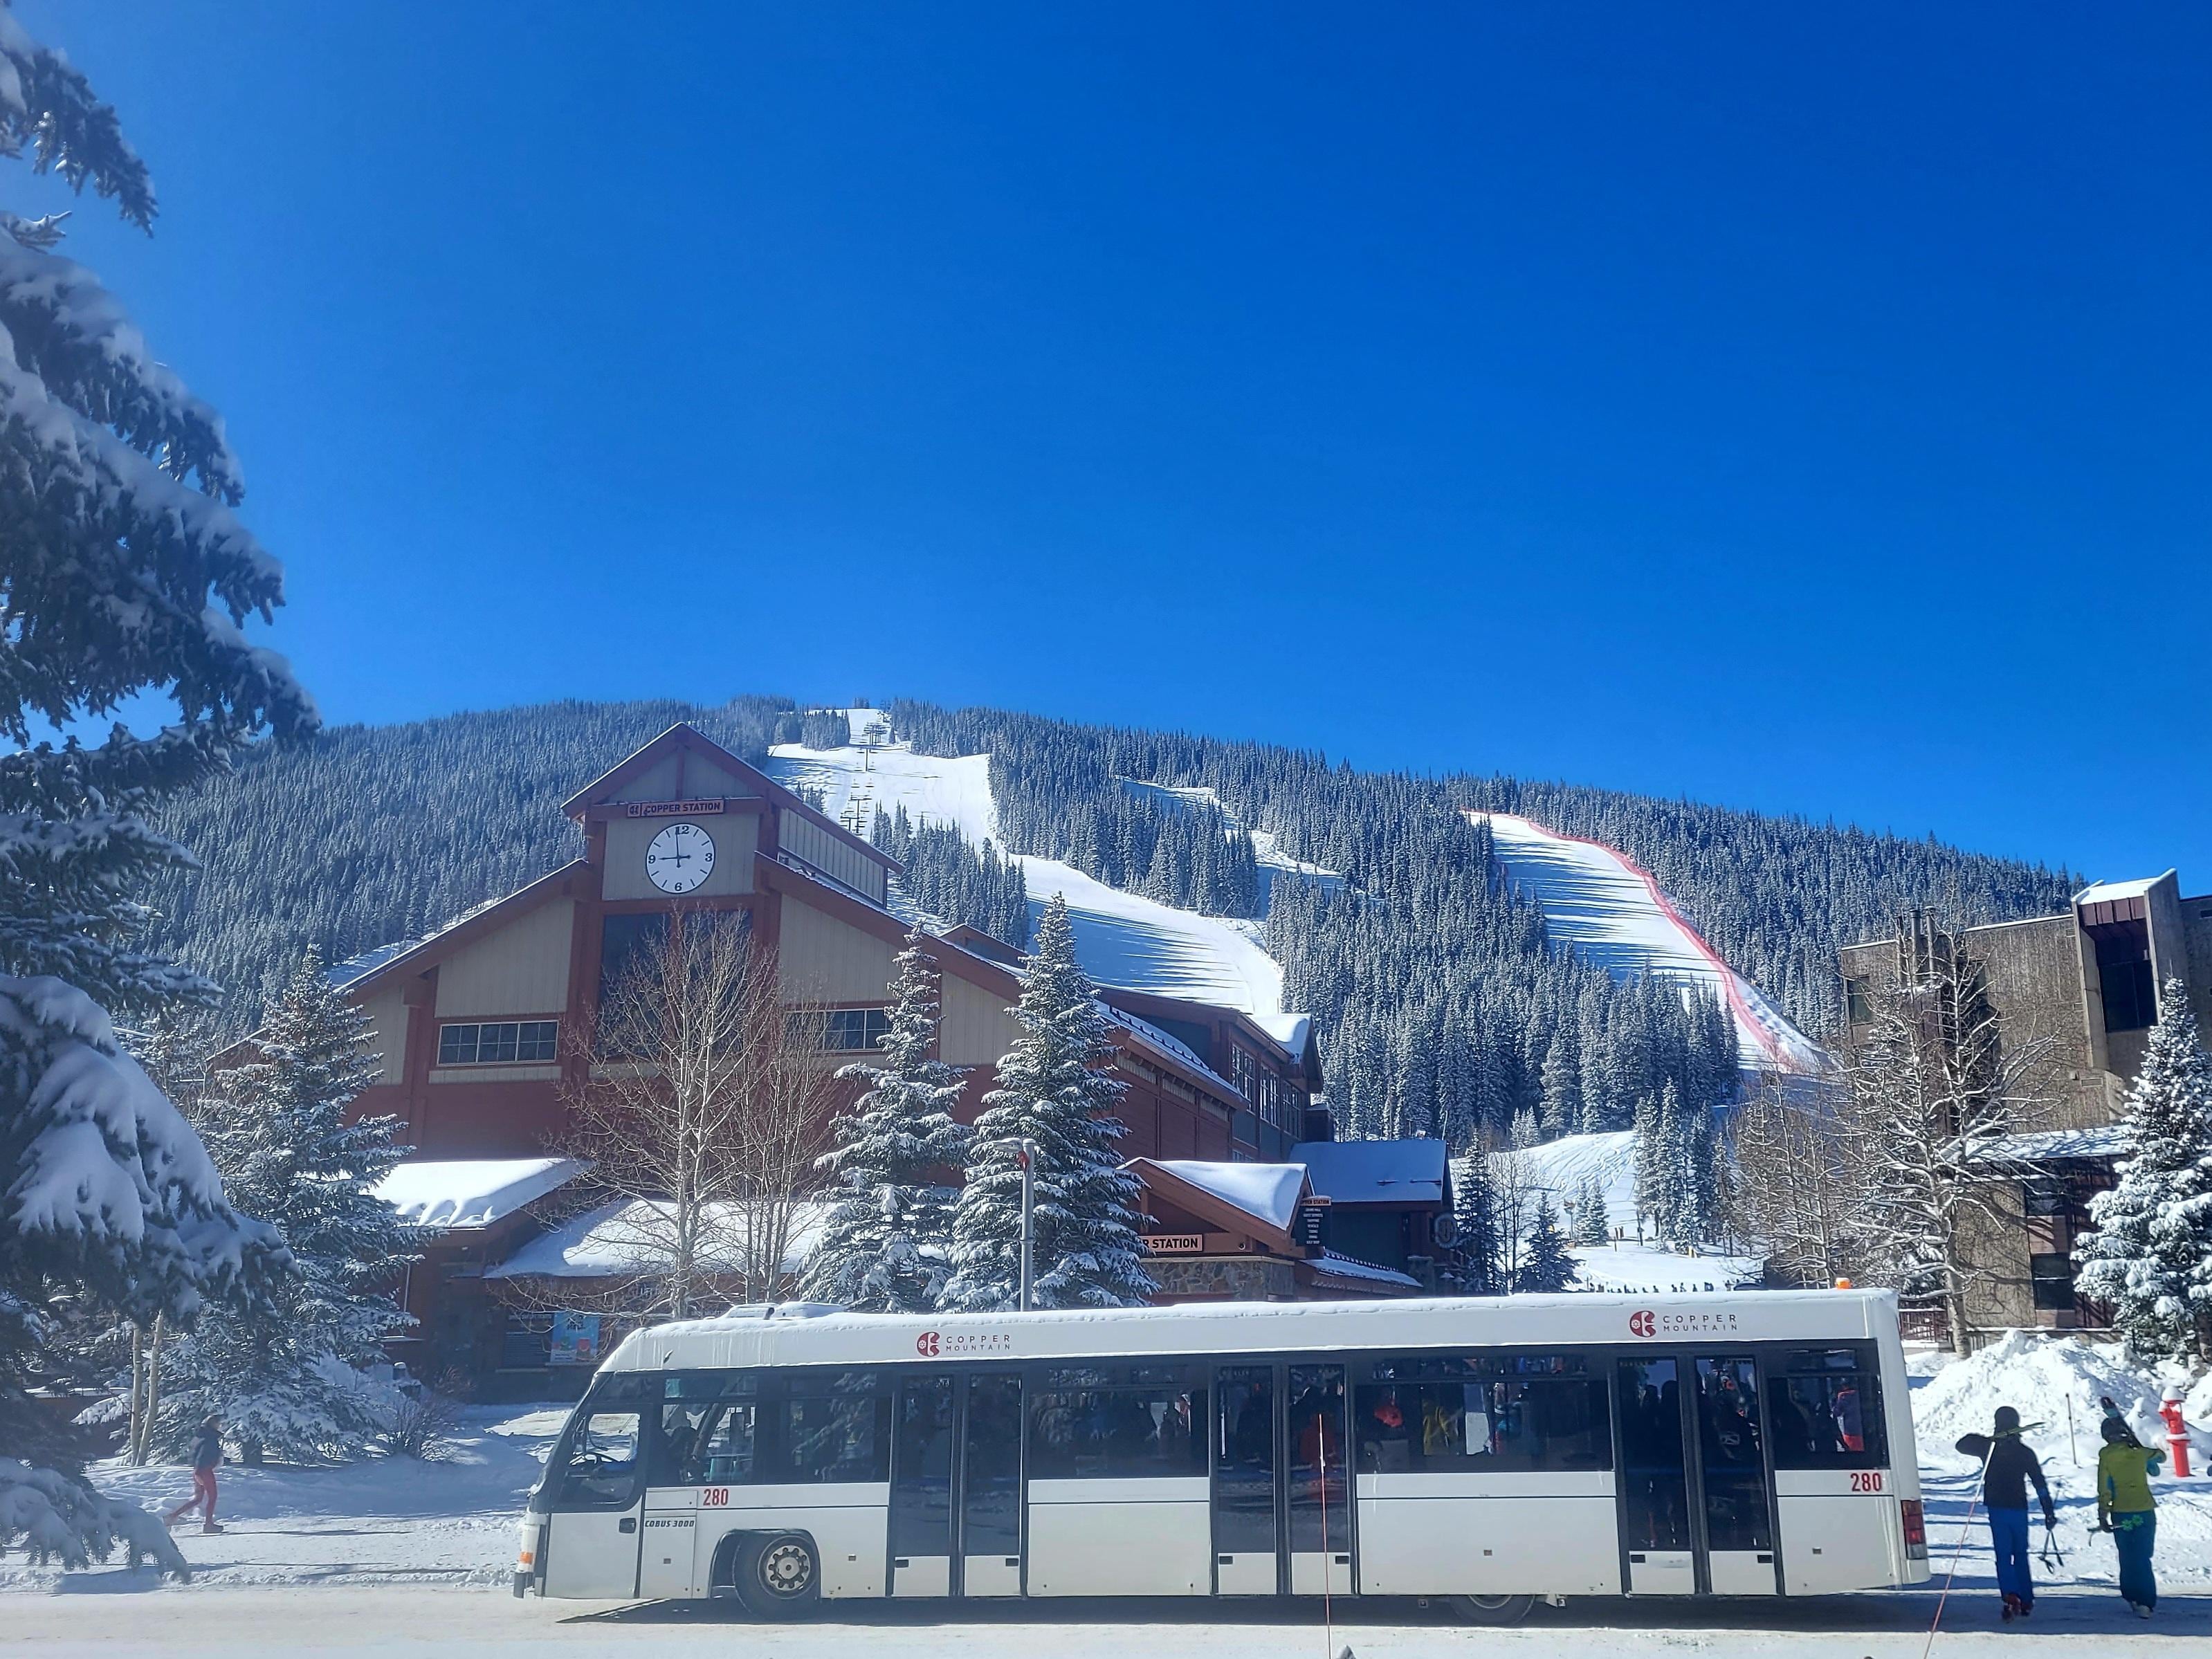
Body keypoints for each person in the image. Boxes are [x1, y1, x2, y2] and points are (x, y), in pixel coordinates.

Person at [1953, 1406, 2054, 1620]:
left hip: (1998, 1509)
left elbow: (1961, 1445)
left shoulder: (1988, 1448)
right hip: (2019, 1509)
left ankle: (2010, 1595)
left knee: (2003, 1555)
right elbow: (2039, 1482)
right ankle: (2026, 1599)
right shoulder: (2024, 1452)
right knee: (2020, 1555)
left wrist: (1987, 1439)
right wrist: (2048, 1510)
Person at [2095, 1415, 2163, 1618]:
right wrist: (2147, 1455)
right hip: (2145, 1511)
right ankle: (2146, 1602)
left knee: (2127, 1556)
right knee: (2143, 1557)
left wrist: (2102, 1515)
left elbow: (2104, 1488)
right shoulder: (2140, 1452)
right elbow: (2161, 1458)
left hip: (2121, 1513)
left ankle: (2132, 1596)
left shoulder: (2106, 1455)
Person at [165, 1415, 226, 1534]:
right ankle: (209, 1525)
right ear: (213, 1424)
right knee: (212, 1498)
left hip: (200, 1471)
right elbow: (201, 1457)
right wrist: (199, 1472)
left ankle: (171, 1517)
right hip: (205, 1471)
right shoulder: (210, 1439)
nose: (220, 1425)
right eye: (218, 1423)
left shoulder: (203, 1437)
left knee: (198, 1499)